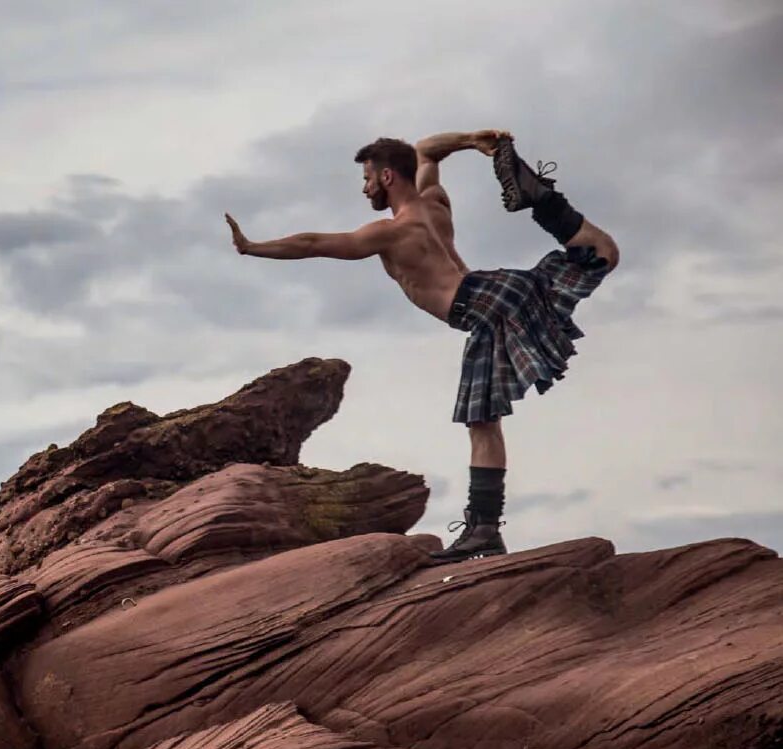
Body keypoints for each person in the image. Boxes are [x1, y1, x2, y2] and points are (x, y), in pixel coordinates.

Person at [224, 131, 619, 562]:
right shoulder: (435, 202)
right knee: (600, 254)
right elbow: (427, 150)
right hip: (499, 289)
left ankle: (483, 530)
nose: (364, 188)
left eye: (367, 178)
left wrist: (253, 247)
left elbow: (312, 244)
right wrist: (473, 140)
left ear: (387, 176)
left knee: (481, 421)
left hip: (480, 304)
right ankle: (543, 201)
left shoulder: (391, 232)